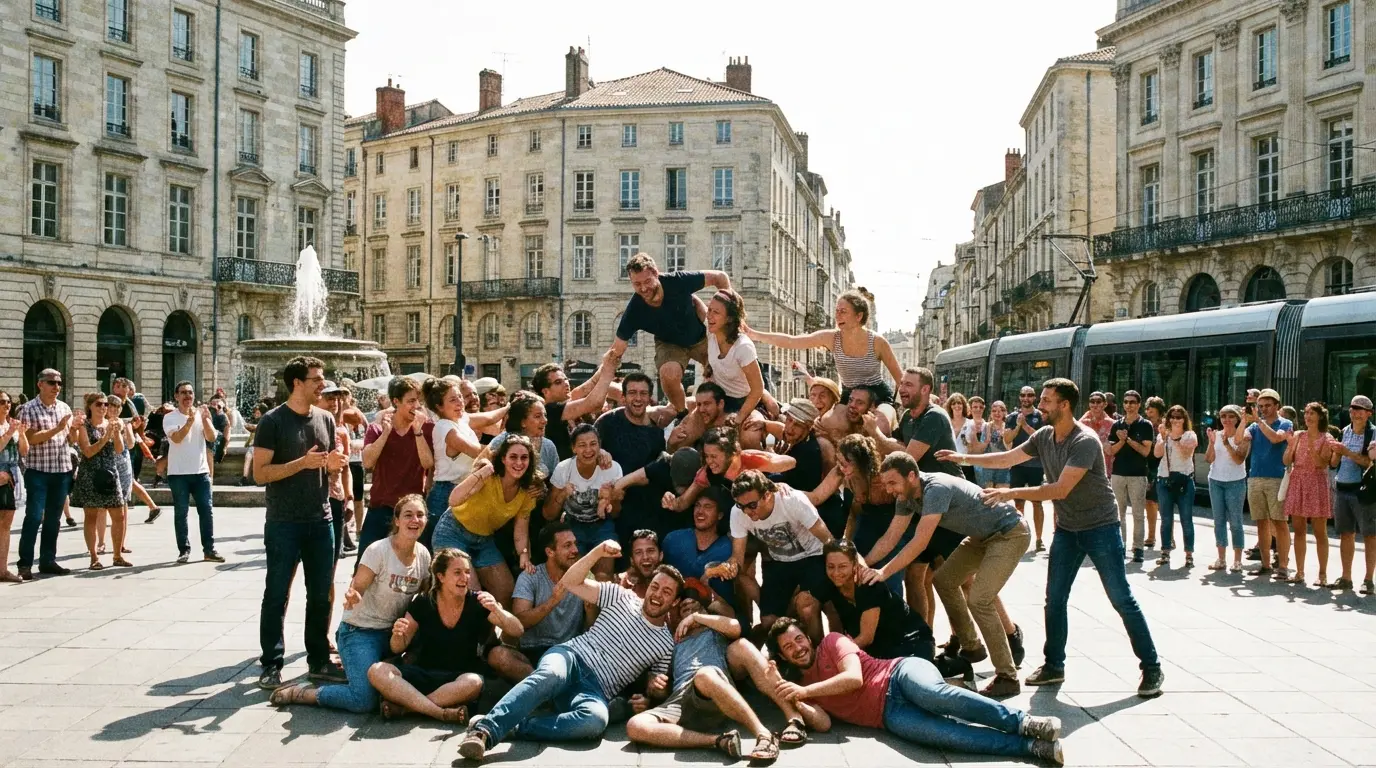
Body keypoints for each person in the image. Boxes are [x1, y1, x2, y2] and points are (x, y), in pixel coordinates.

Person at [938, 378, 1163, 698]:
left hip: (1100, 528)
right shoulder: (1044, 435)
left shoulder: (1084, 441)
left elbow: (1060, 489)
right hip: (1068, 530)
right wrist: (963, 459)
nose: (1039, 405)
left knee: (1121, 598)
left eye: (1045, 400)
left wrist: (1011, 493)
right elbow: (1007, 457)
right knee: (1054, 599)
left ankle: (1151, 667)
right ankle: (1054, 666)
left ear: (1064, 405)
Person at [457, 540, 681, 759]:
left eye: (667, 592)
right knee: (551, 674)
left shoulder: (665, 644)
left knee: (595, 721)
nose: (657, 595)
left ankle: (516, 727)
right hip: (571, 657)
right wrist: (597, 552)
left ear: (674, 602)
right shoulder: (621, 596)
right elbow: (571, 582)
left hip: (596, 690)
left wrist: (654, 692)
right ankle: (485, 731)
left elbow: (656, 689)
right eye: (655, 586)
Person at [767, 621, 1064, 765]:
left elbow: (854, 679)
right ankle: (1030, 748)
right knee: (946, 737)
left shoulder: (832, 642)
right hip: (888, 715)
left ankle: (1024, 722)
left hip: (899, 675)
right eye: (789, 647)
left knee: (936, 696)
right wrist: (787, 694)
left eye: (799, 639)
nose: (798, 647)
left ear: (808, 636)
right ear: (783, 657)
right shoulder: (804, 690)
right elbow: (823, 724)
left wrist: (803, 690)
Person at [868, 451, 1030, 697]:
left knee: (980, 599)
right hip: (981, 537)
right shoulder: (907, 496)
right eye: (887, 484)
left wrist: (883, 572)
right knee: (944, 580)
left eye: (893, 483)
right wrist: (863, 564)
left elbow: (919, 543)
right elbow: (891, 537)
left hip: (1010, 532)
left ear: (911, 476)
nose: (889, 490)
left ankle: (1007, 676)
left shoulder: (935, 489)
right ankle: (972, 646)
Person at [270, 496, 431, 712]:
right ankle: (305, 693)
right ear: (397, 521)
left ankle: (369, 672)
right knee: (363, 700)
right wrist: (353, 594)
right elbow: (358, 586)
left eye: (420, 515)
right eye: (408, 515)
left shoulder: (423, 555)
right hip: (360, 633)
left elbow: (425, 598)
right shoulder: (378, 551)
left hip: (394, 635)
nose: (415, 520)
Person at [253, 356, 348, 690]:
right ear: (297, 383)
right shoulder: (272, 421)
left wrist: (334, 465)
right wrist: (303, 463)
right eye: (316, 379)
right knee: (277, 593)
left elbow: (328, 464)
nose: (323, 384)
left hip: (321, 519)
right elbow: (259, 474)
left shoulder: (325, 418)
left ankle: (319, 659)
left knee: (321, 594)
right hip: (283, 521)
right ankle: (271, 663)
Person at [626, 584, 780, 761]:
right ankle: (719, 740)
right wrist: (652, 691)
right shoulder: (673, 641)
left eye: (694, 606)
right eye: (684, 608)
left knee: (704, 675)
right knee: (635, 726)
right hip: (681, 700)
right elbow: (664, 687)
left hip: (712, 691)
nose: (688, 610)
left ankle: (764, 735)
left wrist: (698, 618)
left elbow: (735, 627)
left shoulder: (715, 630)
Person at [368, 548, 523, 722]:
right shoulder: (424, 602)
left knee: (475, 682)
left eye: (467, 572)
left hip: (459, 680)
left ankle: (406, 708)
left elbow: (517, 630)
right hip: (423, 673)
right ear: (440, 577)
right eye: (457, 572)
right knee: (376, 671)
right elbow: (398, 647)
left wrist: (497, 610)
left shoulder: (478, 601)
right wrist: (397, 634)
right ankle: (440, 713)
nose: (465, 578)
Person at [607, 253, 732, 414]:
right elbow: (616, 349)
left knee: (722, 371)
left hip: (700, 337)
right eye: (637, 284)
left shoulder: (677, 281)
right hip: (669, 343)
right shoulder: (634, 310)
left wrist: (730, 315)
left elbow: (720, 277)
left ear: (656, 274)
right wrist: (600, 379)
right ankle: (681, 413)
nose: (643, 288)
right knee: (668, 375)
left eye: (647, 281)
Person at [723, 470, 834, 641]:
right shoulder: (737, 513)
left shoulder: (792, 500)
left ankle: (819, 655)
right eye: (741, 505)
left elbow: (827, 539)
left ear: (767, 495)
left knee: (806, 606)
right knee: (769, 623)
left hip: (813, 555)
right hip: (779, 561)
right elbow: (737, 557)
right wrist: (729, 568)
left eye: (752, 505)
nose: (747, 512)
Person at [435, 437, 544, 607]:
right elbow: (453, 499)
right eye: (513, 457)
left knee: (506, 592)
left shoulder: (527, 491)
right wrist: (479, 474)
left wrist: (524, 555)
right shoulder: (488, 475)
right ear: (503, 459)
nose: (519, 463)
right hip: (453, 532)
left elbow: (521, 531)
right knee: (471, 593)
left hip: (483, 540)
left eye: (524, 458)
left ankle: (490, 634)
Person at [745, 290, 902, 407]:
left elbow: (900, 379)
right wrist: (755, 334)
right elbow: (792, 341)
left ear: (858, 316)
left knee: (881, 422)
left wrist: (899, 407)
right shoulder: (832, 337)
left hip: (877, 395)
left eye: (843, 312)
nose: (838, 316)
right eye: (837, 311)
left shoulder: (877, 342)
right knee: (831, 423)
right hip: (850, 394)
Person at [487, 522, 588, 682]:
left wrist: (591, 608)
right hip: (532, 650)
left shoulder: (584, 577)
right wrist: (552, 602)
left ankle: (541, 688)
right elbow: (521, 621)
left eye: (575, 544)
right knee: (497, 656)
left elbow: (590, 627)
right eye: (567, 545)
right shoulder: (530, 577)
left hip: (567, 651)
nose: (575, 550)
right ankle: (546, 685)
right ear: (550, 552)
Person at [816, 539, 934, 661]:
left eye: (842, 566)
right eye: (830, 567)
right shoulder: (832, 588)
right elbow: (838, 634)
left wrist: (835, 657)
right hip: (880, 650)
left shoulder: (868, 584)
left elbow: (866, 638)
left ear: (855, 565)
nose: (836, 573)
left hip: (911, 642)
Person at [359, 377, 435, 563]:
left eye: (418, 401)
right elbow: (367, 462)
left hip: (413, 510)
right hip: (381, 507)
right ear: (396, 401)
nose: (416, 406)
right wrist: (386, 432)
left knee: (416, 565)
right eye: (411, 401)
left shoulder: (426, 428)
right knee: (364, 564)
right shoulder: (377, 428)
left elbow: (427, 463)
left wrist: (417, 431)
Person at [15, 369, 78, 579]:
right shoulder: (28, 409)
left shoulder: (64, 407)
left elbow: (70, 439)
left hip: (61, 471)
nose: (56, 387)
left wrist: (75, 429)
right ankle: (24, 564)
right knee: (33, 517)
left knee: (54, 519)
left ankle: (48, 561)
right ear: (39, 384)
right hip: (38, 471)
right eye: (51, 383)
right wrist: (58, 428)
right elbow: (31, 439)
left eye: (59, 383)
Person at [596, 372, 673, 543]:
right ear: (623, 397)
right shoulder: (607, 422)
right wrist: (599, 452)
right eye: (632, 393)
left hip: (646, 506)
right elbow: (586, 444)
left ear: (649, 398)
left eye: (643, 393)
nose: (638, 398)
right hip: (612, 504)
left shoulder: (656, 432)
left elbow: (655, 473)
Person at [546, 424, 621, 579]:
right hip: (572, 525)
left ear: (600, 446)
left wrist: (611, 498)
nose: (588, 450)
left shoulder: (612, 469)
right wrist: (562, 495)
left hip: (602, 525)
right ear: (573, 448)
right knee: (575, 577)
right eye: (582, 445)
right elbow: (548, 514)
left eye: (593, 444)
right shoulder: (564, 469)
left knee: (603, 576)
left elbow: (616, 512)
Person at [163, 381, 223, 564]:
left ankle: (209, 550)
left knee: (207, 511)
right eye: (183, 393)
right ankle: (184, 550)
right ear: (176, 396)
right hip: (178, 473)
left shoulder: (201, 415)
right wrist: (189, 422)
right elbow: (177, 439)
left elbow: (212, 437)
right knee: (181, 512)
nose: (187, 396)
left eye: (190, 393)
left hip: (201, 472)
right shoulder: (170, 418)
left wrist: (205, 419)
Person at [421, 377, 485, 548]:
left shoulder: (460, 421)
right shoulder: (443, 426)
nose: (460, 402)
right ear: (439, 407)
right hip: (446, 493)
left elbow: (488, 417)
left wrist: (508, 408)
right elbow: (476, 451)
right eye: (453, 399)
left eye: (460, 397)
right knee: (439, 550)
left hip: (464, 489)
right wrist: (504, 448)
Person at [701, 289, 768, 448]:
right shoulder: (711, 331)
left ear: (730, 318)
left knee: (749, 438)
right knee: (681, 435)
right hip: (720, 400)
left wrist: (738, 418)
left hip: (744, 403)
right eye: (709, 309)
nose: (709, 315)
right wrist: (708, 368)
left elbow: (758, 389)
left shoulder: (743, 347)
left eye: (716, 312)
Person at [71, 393, 127, 571]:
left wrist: (116, 433)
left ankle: (117, 555)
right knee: (91, 516)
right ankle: (94, 557)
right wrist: (105, 437)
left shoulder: (111, 424)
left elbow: (119, 449)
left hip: (110, 473)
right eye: (99, 404)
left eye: (105, 404)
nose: (103, 407)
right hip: (91, 473)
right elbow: (87, 451)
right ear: (90, 407)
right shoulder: (84, 426)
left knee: (119, 514)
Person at [1241, 388, 1293, 578]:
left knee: (1279, 522)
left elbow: (1276, 438)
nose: (1263, 409)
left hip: (1276, 478)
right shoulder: (1255, 426)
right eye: (1260, 406)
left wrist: (1258, 421)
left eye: (1267, 406)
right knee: (1261, 523)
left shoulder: (1285, 423)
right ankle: (1265, 565)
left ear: (1277, 406)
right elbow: (1241, 439)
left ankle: (1283, 566)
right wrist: (1243, 422)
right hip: (1255, 477)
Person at [1283, 402, 1336, 587]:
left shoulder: (1326, 437)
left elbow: (1322, 464)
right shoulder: (1298, 435)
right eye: (1306, 413)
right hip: (1298, 481)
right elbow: (1286, 460)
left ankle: (1322, 574)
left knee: (1320, 531)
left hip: (1317, 482)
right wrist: (1290, 447)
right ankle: (1299, 572)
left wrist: (1313, 448)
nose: (1308, 417)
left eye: (1312, 413)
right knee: (1298, 529)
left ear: (1320, 416)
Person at [532, 353, 622, 461]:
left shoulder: (562, 403)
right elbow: (594, 404)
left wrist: (609, 361)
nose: (566, 383)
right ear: (545, 391)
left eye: (565, 379)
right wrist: (608, 372)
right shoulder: (549, 409)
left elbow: (590, 384)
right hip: (561, 474)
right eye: (558, 382)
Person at [1331, 396, 1375, 593]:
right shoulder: (1344, 431)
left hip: (1363, 491)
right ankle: (1346, 577)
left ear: (1368, 413)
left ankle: (1368, 580)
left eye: (1359, 409)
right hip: (1342, 487)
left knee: (1369, 535)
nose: (1354, 413)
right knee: (1346, 534)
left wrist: (1347, 452)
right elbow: (1333, 463)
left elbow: (1370, 463)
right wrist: (1335, 452)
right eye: (1352, 409)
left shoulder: (1373, 434)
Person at [663, 491, 736, 607]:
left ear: (720, 515)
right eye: (697, 505)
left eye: (708, 507)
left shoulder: (729, 549)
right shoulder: (673, 539)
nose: (700, 511)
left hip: (713, 614)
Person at [1108, 391, 1154, 563]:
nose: (1129, 405)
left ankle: (1138, 548)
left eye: (1133, 402)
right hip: (1118, 473)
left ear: (1139, 404)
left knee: (1137, 514)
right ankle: (1121, 545)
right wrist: (1121, 441)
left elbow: (1145, 451)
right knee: (1118, 512)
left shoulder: (1146, 425)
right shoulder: (1116, 425)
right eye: (1126, 402)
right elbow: (1111, 451)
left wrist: (1128, 439)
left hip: (1138, 474)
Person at [1205, 405, 1249, 572]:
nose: (1227, 420)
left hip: (1235, 482)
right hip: (1215, 480)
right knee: (1219, 521)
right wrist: (1211, 442)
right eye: (1223, 416)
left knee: (1236, 522)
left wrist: (1227, 445)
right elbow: (1209, 459)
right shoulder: (1216, 434)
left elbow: (1239, 460)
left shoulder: (1244, 436)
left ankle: (1237, 560)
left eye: (1231, 416)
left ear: (1237, 419)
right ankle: (1221, 559)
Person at [1152, 405, 1198, 569]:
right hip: (1164, 480)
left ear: (1184, 419)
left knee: (1186, 519)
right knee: (1165, 519)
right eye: (1172, 416)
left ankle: (1189, 554)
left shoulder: (1189, 435)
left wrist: (1175, 437)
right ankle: (1165, 551)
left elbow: (1186, 453)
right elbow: (1157, 454)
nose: (1175, 420)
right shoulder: (1163, 434)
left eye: (1179, 417)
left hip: (1184, 481)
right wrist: (1164, 438)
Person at [1005, 385, 1048, 552]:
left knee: (1037, 503)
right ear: (1019, 397)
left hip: (1036, 465)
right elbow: (1007, 438)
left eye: (1029, 395)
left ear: (1034, 398)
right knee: (1018, 503)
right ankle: (1020, 537)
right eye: (1023, 395)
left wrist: (1025, 426)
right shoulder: (1012, 417)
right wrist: (1017, 426)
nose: (1026, 398)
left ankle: (1038, 539)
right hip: (1017, 465)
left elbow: (1041, 438)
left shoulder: (1041, 416)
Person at [0, 391, 30, 582]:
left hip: (11, 477)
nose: (6, 405)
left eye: (8, 402)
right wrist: (10, 432)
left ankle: (3, 568)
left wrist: (22, 434)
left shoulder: (11, 424)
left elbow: (24, 451)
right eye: (2, 402)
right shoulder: (7, 427)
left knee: (6, 524)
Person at [668, 383, 731, 454]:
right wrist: (671, 444)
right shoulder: (696, 421)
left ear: (720, 404)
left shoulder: (732, 423)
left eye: (706, 404)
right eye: (699, 404)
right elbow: (674, 454)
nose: (701, 409)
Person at [971, 400, 1011, 489]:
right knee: (988, 492)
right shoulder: (986, 426)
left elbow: (1010, 448)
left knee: (1001, 493)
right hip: (988, 464)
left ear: (1004, 413)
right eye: (994, 411)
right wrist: (988, 436)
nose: (997, 413)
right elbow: (983, 447)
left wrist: (1005, 436)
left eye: (1000, 411)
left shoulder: (1008, 427)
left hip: (1003, 464)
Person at [1142, 397, 1166, 549]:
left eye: (1152, 409)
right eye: (1147, 409)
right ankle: (1151, 536)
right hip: (1148, 466)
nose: (1149, 412)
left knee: (1164, 503)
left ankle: (1168, 536)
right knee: (1149, 502)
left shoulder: (1166, 424)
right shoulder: (1144, 425)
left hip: (1163, 466)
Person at [617, 529, 665, 599]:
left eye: (650, 551)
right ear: (632, 560)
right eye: (638, 552)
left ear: (661, 556)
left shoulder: (672, 585)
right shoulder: (620, 584)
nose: (645, 557)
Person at [1080, 392, 1115, 477]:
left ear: (1105, 404)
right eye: (1092, 401)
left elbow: (1112, 449)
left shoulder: (1112, 424)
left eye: (1098, 402)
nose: (1095, 405)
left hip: (1106, 469)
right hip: (1086, 469)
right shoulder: (1082, 423)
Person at [947, 393, 977, 484]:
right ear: (950, 406)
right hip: (949, 463)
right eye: (954, 403)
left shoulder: (971, 423)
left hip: (965, 463)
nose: (957, 406)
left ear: (963, 405)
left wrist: (969, 444)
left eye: (959, 403)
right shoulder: (946, 422)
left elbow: (973, 447)